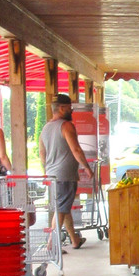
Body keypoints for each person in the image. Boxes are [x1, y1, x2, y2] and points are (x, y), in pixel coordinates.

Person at [39, 93, 93, 250]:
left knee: (64, 206)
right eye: (70, 108)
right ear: (61, 108)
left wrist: (48, 168)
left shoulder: (46, 127)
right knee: (61, 209)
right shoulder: (66, 126)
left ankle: (74, 239)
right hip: (65, 175)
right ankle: (51, 243)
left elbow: (42, 154)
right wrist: (87, 168)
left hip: (52, 174)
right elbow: (76, 149)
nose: (72, 111)